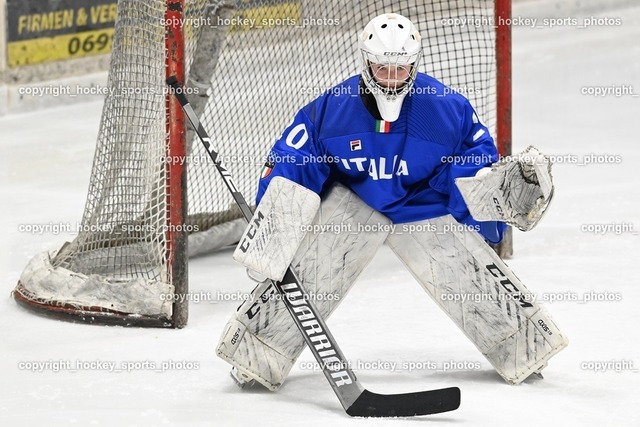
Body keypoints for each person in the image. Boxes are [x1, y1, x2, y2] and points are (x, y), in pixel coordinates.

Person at [216, 12, 566, 391]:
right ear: (366, 63)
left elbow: (473, 160)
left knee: (462, 265)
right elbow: (293, 161)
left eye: (401, 69)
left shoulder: (446, 109)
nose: (391, 78)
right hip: (354, 208)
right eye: (382, 68)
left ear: (414, 65)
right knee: (313, 266)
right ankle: (256, 352)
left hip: (421, 206)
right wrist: (274, 227)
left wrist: (489, 188)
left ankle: (525, 346)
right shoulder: (332, 109)